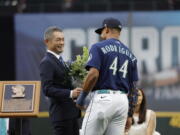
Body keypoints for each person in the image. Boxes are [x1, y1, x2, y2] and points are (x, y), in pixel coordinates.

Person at [76, 17, 139, 135]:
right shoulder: (131, 55)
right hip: (122, 102)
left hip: (103, 99)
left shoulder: (98, 47)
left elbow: (93, 74)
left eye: (102, 31)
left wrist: (82, 97)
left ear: (106, 29)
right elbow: (134, 88)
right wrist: (130, 114)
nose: (101, 34)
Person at [39, 26, 82, 135]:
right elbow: (47, 89)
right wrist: (71, 93)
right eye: (58, 40)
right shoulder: (47, 62)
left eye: (63, 39)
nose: (62, 42)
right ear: (47, 42)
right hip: (61, 116)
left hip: (71, 114)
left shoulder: (61, 60)